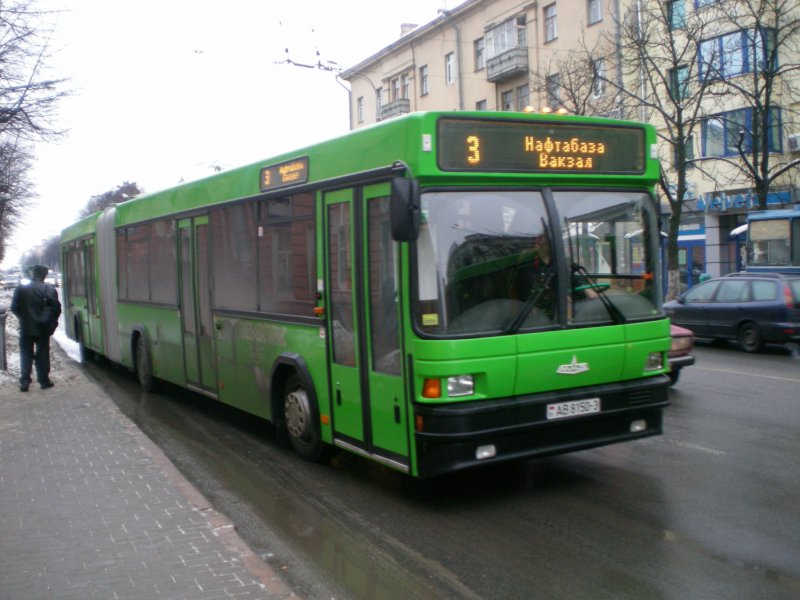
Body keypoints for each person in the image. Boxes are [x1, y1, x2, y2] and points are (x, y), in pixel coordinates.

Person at [10, 264, 62, 392]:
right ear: (44, 275)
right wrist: (50, 322)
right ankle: (44, 381)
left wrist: (23, 318)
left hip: (26, 327)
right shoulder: (48, 289)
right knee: (42, 354)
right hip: (42, 328)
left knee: (26, 354)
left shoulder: (21, 289)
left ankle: (25, 381)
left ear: (33, 274)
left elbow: (14, 308)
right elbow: (56, 308)